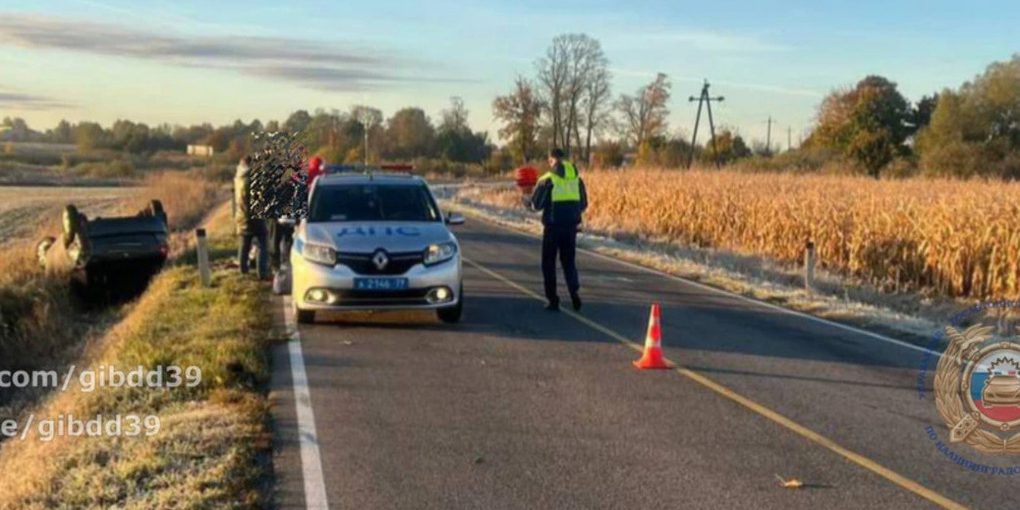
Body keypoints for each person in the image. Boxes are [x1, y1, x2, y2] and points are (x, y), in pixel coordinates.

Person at [525, 148, 588, 311]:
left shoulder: (548, 179)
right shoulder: (576, 178)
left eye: (550, 161)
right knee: (569, 262)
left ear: (552, 160)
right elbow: (583, 204)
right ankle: (574, 293)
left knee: (548, 263)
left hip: (553, 228)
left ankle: (553, 299)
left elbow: (536, 205)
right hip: (571, 228)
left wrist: (526, 201)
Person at [234, 156, 269, 279]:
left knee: (244, 244)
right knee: (262, 243)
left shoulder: (238, 178)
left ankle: (243, 270)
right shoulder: (252, 179)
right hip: (254, 216)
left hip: (241, 216)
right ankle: (262, 272)